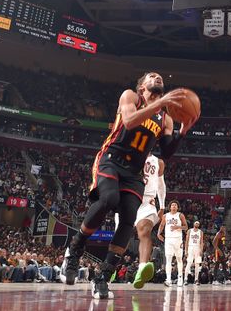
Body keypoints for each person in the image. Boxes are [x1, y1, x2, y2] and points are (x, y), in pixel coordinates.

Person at [61, 73, 194, 299]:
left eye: (160, 76)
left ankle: (103, 277)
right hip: (111, 159)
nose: (157, 77)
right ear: (142, 86)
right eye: (152, 76)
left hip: (134, 172)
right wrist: (159, 104)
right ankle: (74, 249)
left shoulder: (166, 119)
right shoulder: (130, 96)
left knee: (128, 219)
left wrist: (183, 130)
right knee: (108, 199)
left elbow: (167, 151)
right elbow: (131, 121)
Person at [114, 153, 166, 289]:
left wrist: (163, 205)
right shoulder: (127, 154)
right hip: (129, 198)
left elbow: (161, 184)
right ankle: (110, 267)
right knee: (121, 238)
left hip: (147, 201)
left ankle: (142, 268)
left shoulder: (158, 162)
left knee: (144, 231)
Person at [157, 200, 187, 287]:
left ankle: (180, 278)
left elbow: (186, 227)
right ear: (170, 207)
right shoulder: (165, 216)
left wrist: (178, 227)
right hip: (168, 240)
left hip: (178, 239)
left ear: (177, 207)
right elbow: (162, 225)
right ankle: (168, 280)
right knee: (168, 260)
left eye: (175, 205)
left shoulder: (180, 215)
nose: (174, 206)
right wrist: (159, 233)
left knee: (179, 259)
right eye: (172, 205)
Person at [185, 220, 204, 285]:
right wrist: (186, 250)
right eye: (196, 223)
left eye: (198, 223)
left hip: (197, 247)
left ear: (199, 225)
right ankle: (185, 279)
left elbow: (201, 242)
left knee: (197, 264)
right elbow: (186, 241)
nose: (197, 224)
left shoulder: (200, 232)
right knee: (189, 263)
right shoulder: (189, 231)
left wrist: (201, 250)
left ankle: (196, 280)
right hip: (190, 247)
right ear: (193, 224)